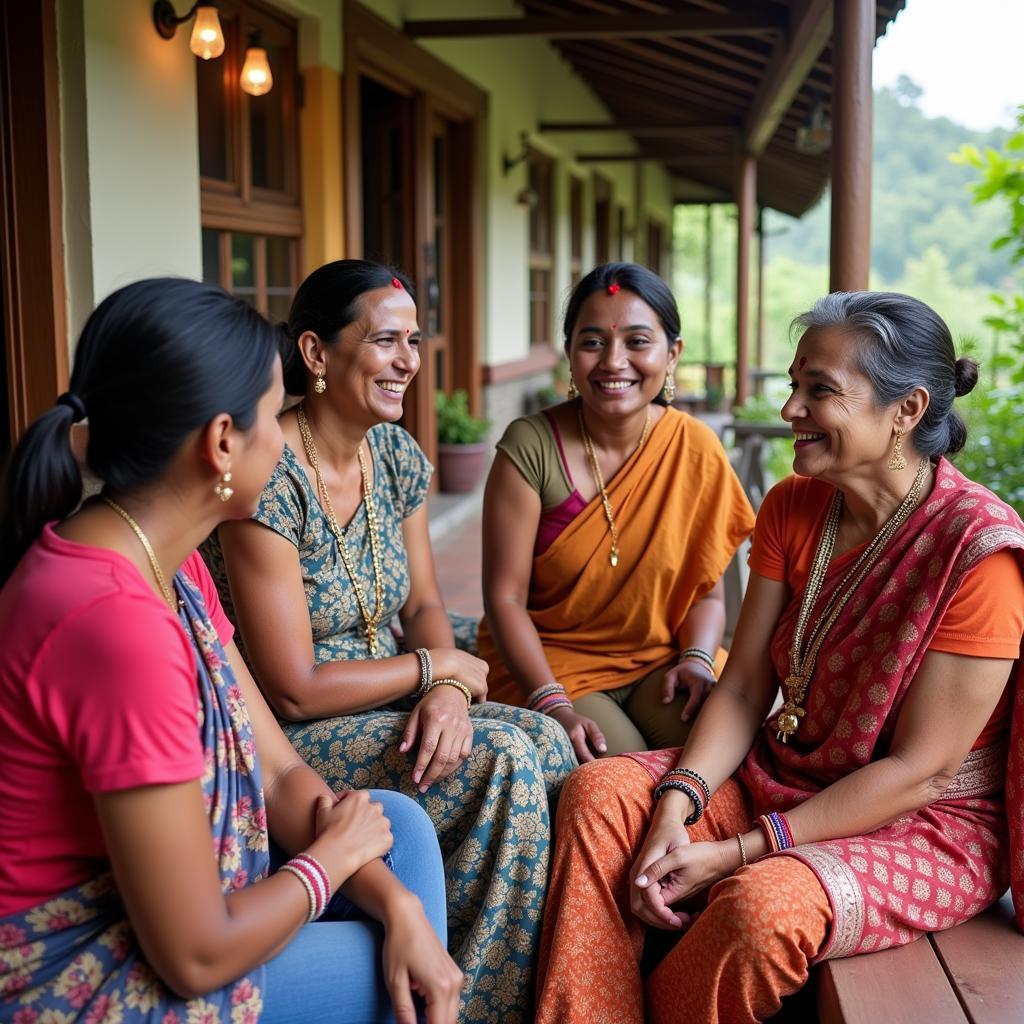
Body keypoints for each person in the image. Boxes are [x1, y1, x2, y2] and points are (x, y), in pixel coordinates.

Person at [535, 291, 1024, 1024]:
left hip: (925, 821)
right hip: (784, 773)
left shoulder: (977, 551)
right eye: (794, 384)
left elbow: (920, 770)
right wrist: (679, 802)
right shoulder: (795, 506)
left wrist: (737, 852)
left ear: (907, 410)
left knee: (758, 907)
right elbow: (740, 692)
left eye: (819, 390)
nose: (791, 408)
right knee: (600, 795)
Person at [0, 279, 462, 1024]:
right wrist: (330, 865)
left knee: (398, 831)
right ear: (221, 443)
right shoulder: (114, 625)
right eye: (272, 414)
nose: (284, 436)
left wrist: (397, 902)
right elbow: (194, 955)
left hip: (158, 918)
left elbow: (276, 767)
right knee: (393, 980)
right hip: (72, 968)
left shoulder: (165, 559)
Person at [207, 259, 576, 1024]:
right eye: (386, 340)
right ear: (316, 353)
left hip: (397, 693)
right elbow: (291, 687)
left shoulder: (398, 456)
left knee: (547, 744)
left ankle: (500, 977)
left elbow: (427, 603)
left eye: (414, 340)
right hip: (298, 732)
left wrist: (443, 690)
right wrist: (434, 668)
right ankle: (462, 1005)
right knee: (501, 764)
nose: (409, 360)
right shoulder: (266, 472)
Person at [477, 262, 755, 761]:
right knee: (618, 765)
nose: (613, 361)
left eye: (637, 342)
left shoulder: (694, 447)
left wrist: (696, 659)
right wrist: (552, 704)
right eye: (593, 342)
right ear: (568, 352)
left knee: (723, 744)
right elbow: (504, 600)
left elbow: (707, 594)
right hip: (552, 663)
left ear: (673, 355)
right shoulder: (531, 446)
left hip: (660, 658)